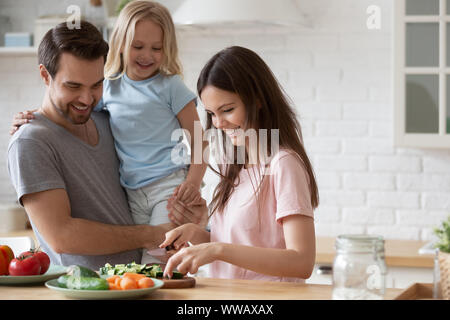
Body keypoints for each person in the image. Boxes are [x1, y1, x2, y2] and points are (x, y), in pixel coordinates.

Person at [11, 1, 208, 264]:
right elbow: (62, 236)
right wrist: (152, 235)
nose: (86, 98)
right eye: (73, 85)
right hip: (93, 288)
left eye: (96, 85)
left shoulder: (104, 116)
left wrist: (192, 191)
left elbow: (194, 140)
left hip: (138, 277)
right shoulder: (31, 140)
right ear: (45, 76)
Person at [160, 46, 319, 282]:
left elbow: (301, 261)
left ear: (258, 100)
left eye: (228, 110)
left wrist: (217, 249)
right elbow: (241, 245)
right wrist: (198, 235)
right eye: (212, 114)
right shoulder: (232, 165)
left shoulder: (283, 164)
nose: (219, 123)